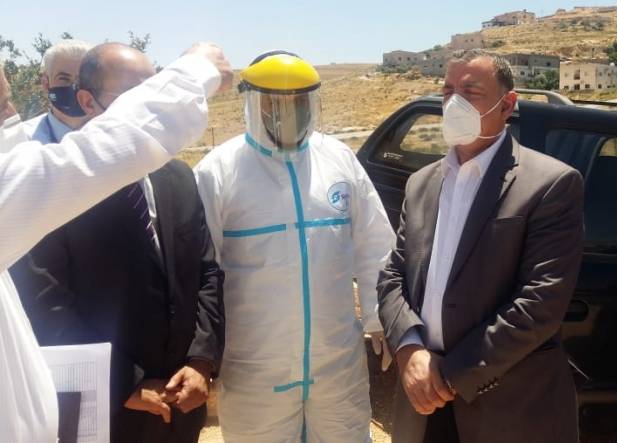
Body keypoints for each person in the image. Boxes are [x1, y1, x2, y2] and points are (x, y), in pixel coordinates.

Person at [0, 43, 231, 442]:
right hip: (110, 409)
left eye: (154, 87)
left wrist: (201, 360)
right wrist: (126, 382)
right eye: (135, 96)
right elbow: (48, 303)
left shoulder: (177, 177)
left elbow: (206, 271)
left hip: (181, 400)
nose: (13, 116)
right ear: (87, 102)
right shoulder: (58, 195)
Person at [377, 49, 585, 443]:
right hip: (423, 409)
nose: (453, 103)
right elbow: (393, 273)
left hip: (508, 410)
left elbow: (540, 303)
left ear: (507, 105)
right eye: (447, 91)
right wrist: (408, 350)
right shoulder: (421, 183)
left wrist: (450, 374)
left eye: (470, 92)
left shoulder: (550, 184)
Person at [194, 50, 394, 442]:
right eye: (273, 102)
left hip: (335, 358)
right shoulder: (218, 171)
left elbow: (375, 244)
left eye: (299, 101)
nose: (287, 111)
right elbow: (202, 272)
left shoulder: (338, 159)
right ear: (251, 102)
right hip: (255, 363)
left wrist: (378, 318)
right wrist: (203, 354)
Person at [22, 39, 92, 143]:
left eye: (83, 79)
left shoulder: (113, 135)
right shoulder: (22, 140)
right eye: (64, 79)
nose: (75, 87)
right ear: (46, 84)